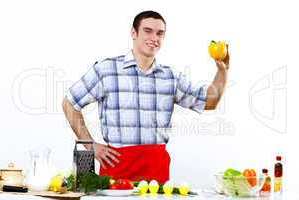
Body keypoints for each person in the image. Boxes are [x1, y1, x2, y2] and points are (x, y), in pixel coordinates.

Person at [62, 10, 229, 184]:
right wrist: (91, 146)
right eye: (147, 31)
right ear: (133, 33)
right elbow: (69, 103)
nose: (154, 38)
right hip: (116, 177)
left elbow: (209, 101)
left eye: (160, 33)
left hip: (157, 178)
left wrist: (223, 71)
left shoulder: (171, 77)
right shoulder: (106, 70)